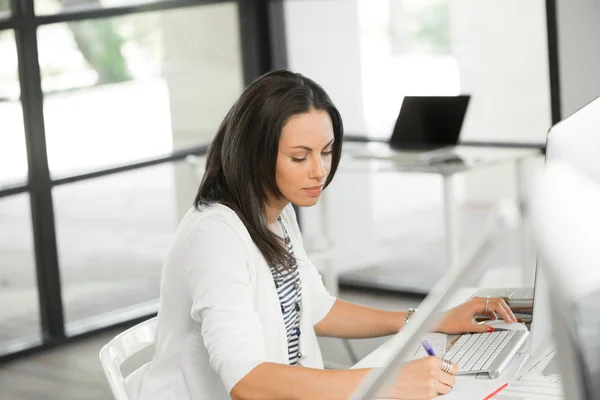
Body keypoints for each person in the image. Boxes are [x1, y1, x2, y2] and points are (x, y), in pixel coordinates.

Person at [138, 69, 517, 400]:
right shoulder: (215, 237)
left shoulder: (275, 215)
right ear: (255, 154)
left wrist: (429, 319)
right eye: (300, 158)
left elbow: (317, 308)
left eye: (327, 151)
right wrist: (385, 381)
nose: (319, 171)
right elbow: (247, 382)